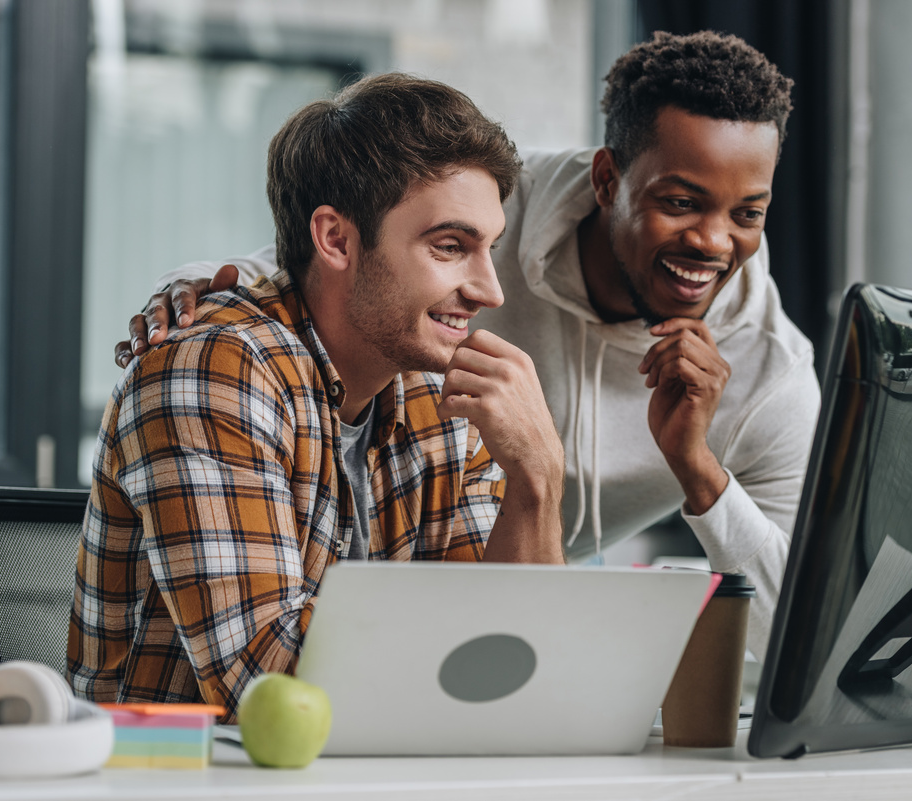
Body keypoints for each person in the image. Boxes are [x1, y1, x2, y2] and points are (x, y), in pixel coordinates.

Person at [114, 31, 821, 658]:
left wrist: (552, 472)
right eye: (679, 201)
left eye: (747, 213)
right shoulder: (235, 367)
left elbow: (517, 659)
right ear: (607, 181)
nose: (491, 294)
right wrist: (207, 282)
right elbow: (332, 255)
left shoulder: (434, 383)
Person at [68, 74, 566, 718]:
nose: (490, 291)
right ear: (336, 239)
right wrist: (460, 654)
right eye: (451, 247)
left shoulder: (441, 399)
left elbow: (519, 673)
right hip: (190, 781)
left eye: (488, 249)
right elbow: (271, 685)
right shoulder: (213, 369)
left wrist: (538, 479)